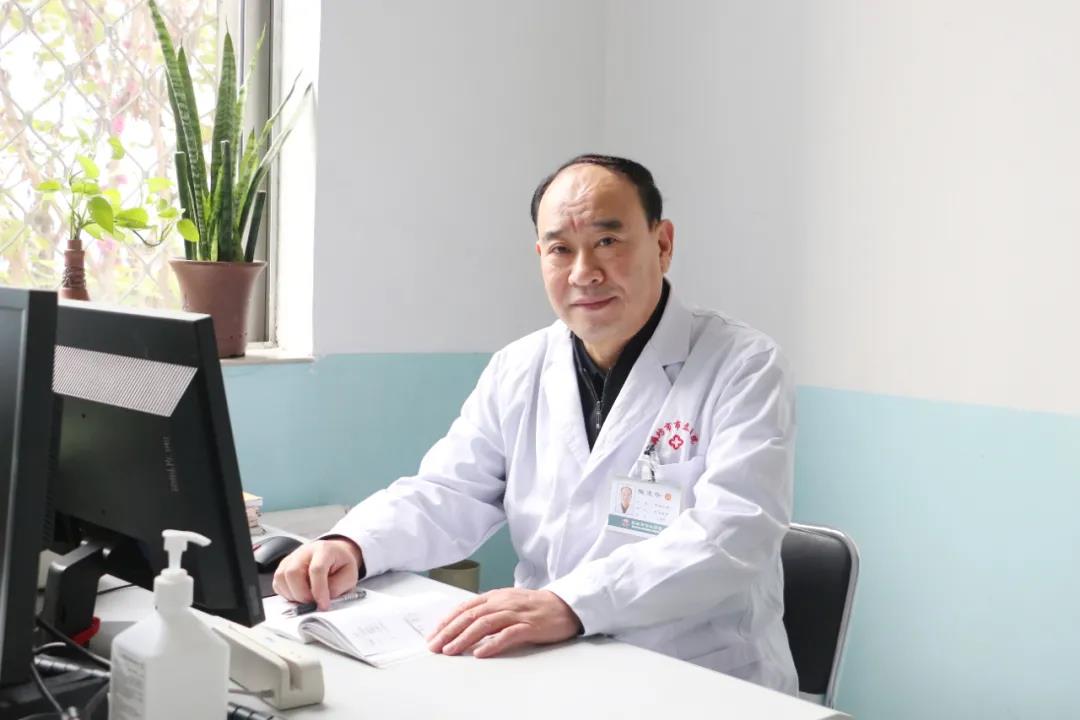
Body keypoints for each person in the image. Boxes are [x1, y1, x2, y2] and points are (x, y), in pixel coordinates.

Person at [274, 154, 798, 694]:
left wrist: (570, 603)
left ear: (662, 244)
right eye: (560, 249)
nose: (584, 272)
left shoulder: (742, 364)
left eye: (607, 241)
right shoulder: (519, 367)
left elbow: (734, 532)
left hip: (700, 678)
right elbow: (449, 491)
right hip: (552, 667)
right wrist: (353, 545)